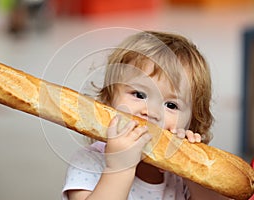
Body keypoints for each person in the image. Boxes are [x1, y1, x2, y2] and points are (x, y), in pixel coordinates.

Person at [62, 31, 230, 200]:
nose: (152, 113)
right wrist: (119, 168)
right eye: (139, 95)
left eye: (171, 105)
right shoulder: (88, 163)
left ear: (190, 124)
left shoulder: (180, 179)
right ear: (107, 100)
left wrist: (196, 176)